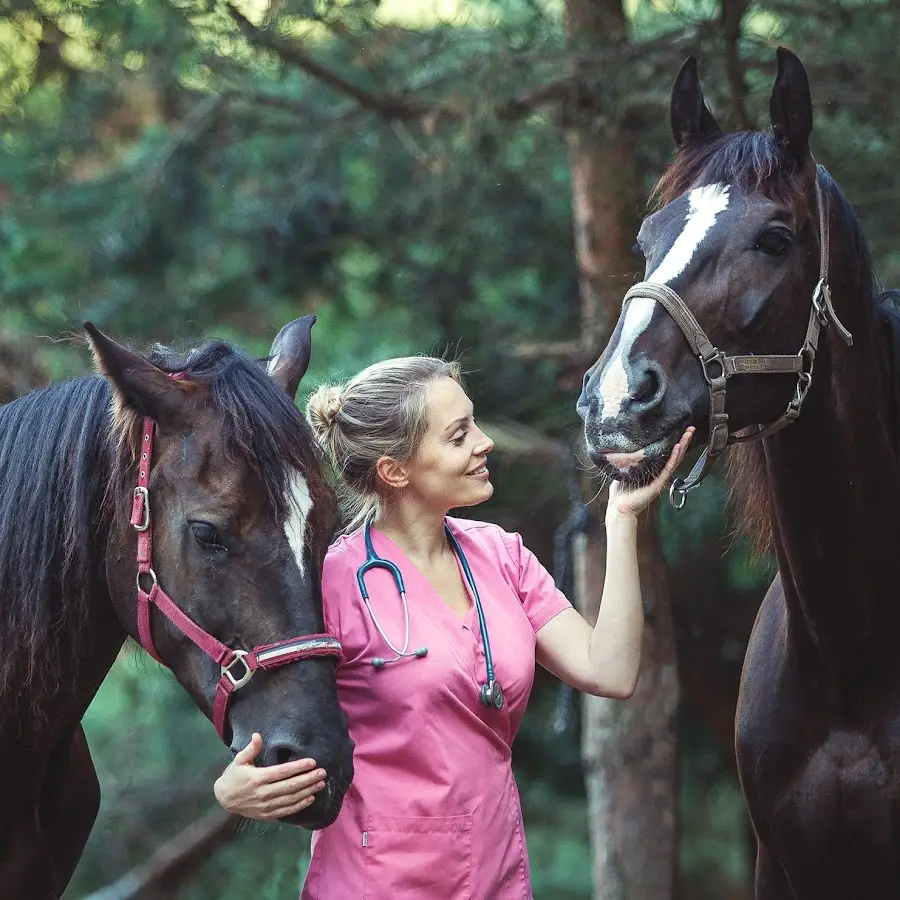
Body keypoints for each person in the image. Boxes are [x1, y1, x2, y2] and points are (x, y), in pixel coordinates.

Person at [213, 356, 693, 899]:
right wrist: (234, 787)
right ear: (396, 470)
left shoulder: (502, 556)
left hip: (496, 876)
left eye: (476, 424)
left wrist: (622, 519)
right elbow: (264, 713)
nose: (485, 442)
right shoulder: (329, 582)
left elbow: (611, 669)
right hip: (376, 884)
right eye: (459, 435)